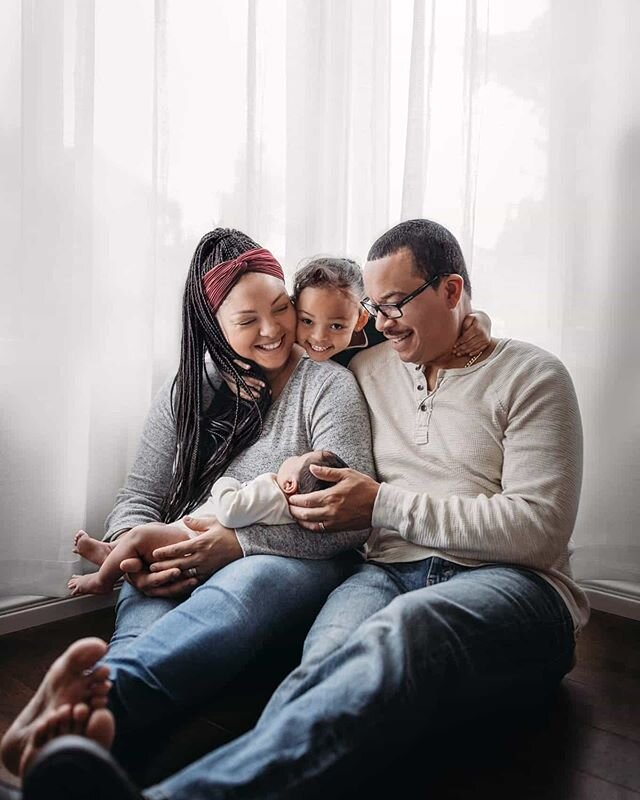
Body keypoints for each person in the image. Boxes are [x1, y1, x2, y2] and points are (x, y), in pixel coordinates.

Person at [1, 218, 588, 800]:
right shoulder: (369, 365)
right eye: (373, 309)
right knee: (324, 665)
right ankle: (75, 734)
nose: (379, 323)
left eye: (392, 305)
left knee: (401, 630)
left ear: (452, 291)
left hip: (507, 581)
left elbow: (535, 531)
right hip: (383, 571)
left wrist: (368, 504)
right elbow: (332, 335)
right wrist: (139, 540)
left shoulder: (527, 376)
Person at [0, 227, 375, 782]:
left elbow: (351, 518)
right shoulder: (189, 392)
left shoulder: (326, 386)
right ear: (214, 327)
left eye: (280, 309)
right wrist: (139, 558)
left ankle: (83, 725)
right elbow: (139, 499)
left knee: (236, 592)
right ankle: (82, 759)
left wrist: (238, 545)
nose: (274, 331)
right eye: (248, 322)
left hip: (286, 562)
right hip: (178, 551)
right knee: (143, 635)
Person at [67, 450, 349, 597]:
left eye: (298, 458)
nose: (292, 457)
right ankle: (112, 550)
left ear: (290, 484)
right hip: (192, 537)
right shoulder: (283, 503)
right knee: (138, 539)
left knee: (141, 536)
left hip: (192, 539)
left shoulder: (271, 491)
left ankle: (103, 579)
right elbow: (140, 492)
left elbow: (230, 512)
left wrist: (226, 482)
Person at [291, 254, 491, 367]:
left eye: (336, 326)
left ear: (361, 319)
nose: (319, 337)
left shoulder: (382, 325)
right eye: (307, 321)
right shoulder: (291, 334)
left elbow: (436, 321)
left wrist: (481, 320)